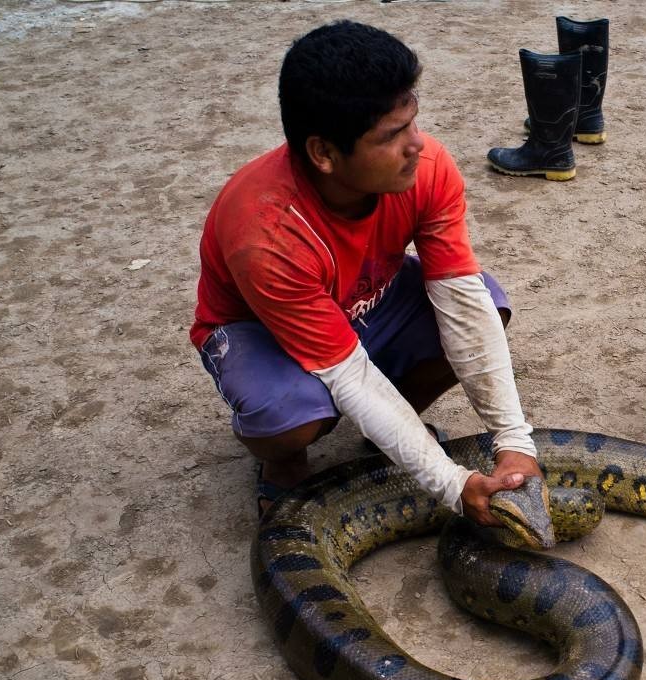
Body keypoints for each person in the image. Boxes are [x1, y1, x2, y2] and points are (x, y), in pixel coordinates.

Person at [189, 20, 540, 525]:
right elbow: (347, 372)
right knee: (287, 412)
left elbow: (463, 304)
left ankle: (387, 432)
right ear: (324, 154)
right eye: (393, 135)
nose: (417, 145)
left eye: (413, 122)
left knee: (485, 302)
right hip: (263, 333)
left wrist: (513, 440)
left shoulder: (427, 167)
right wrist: (450, 481)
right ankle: (283, 464)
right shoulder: (264, 232)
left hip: (365, 303)